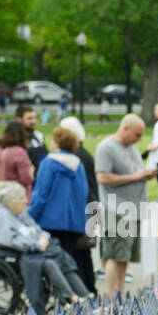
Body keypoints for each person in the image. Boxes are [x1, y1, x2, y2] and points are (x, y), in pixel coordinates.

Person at [0, 181, 90, 315]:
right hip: (20, 253)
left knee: (62, 256)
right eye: (21, 198)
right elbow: (10, 240)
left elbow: (38, 229)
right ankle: (71, 297)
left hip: (38, 249)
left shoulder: (20, 213)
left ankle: (86, 295)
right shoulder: (1, 215)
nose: (26, 201)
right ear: (9, 202)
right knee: (49, 263)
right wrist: (36, 245)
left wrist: (44, 238)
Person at [95, 113, 156, 295]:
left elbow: (134, 171)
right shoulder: (107, 147)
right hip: (116, 209)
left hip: (134, 210)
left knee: (125, 256)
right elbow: (102, 177)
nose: (140, 139)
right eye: (137, 134)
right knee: (114, 254)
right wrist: (135, 176)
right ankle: (111, 297)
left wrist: (145, 173)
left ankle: (119, 294)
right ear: (125, 128)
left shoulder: (133, 148)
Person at [28, 125, 92, 293]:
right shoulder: (78, 164)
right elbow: (83, 193)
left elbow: (41, 194)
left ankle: (62, 295)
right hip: (73, 222)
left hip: (50, 220)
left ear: (56, 142)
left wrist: (31, 216)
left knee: (51, 263)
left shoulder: (49, 163)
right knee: (67, 262)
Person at [57, 116, 98, 291]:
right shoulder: (84, 154)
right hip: (90, 205)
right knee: (83, 252)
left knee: (77, 252)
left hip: (83, 209)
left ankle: (83, 287)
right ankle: (88, 286)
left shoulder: (76, 157)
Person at [0, 120, 35, 201]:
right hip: (16, 196)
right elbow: (26, 179)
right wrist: (31, 172)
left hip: (1, 192)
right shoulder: (19, 152)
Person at [16, 105, 48, 172]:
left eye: (34, 118)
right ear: (19, 119)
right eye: (29, 118)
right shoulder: (12, 139)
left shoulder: (39, 136)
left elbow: (46, 158)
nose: (33, 121)